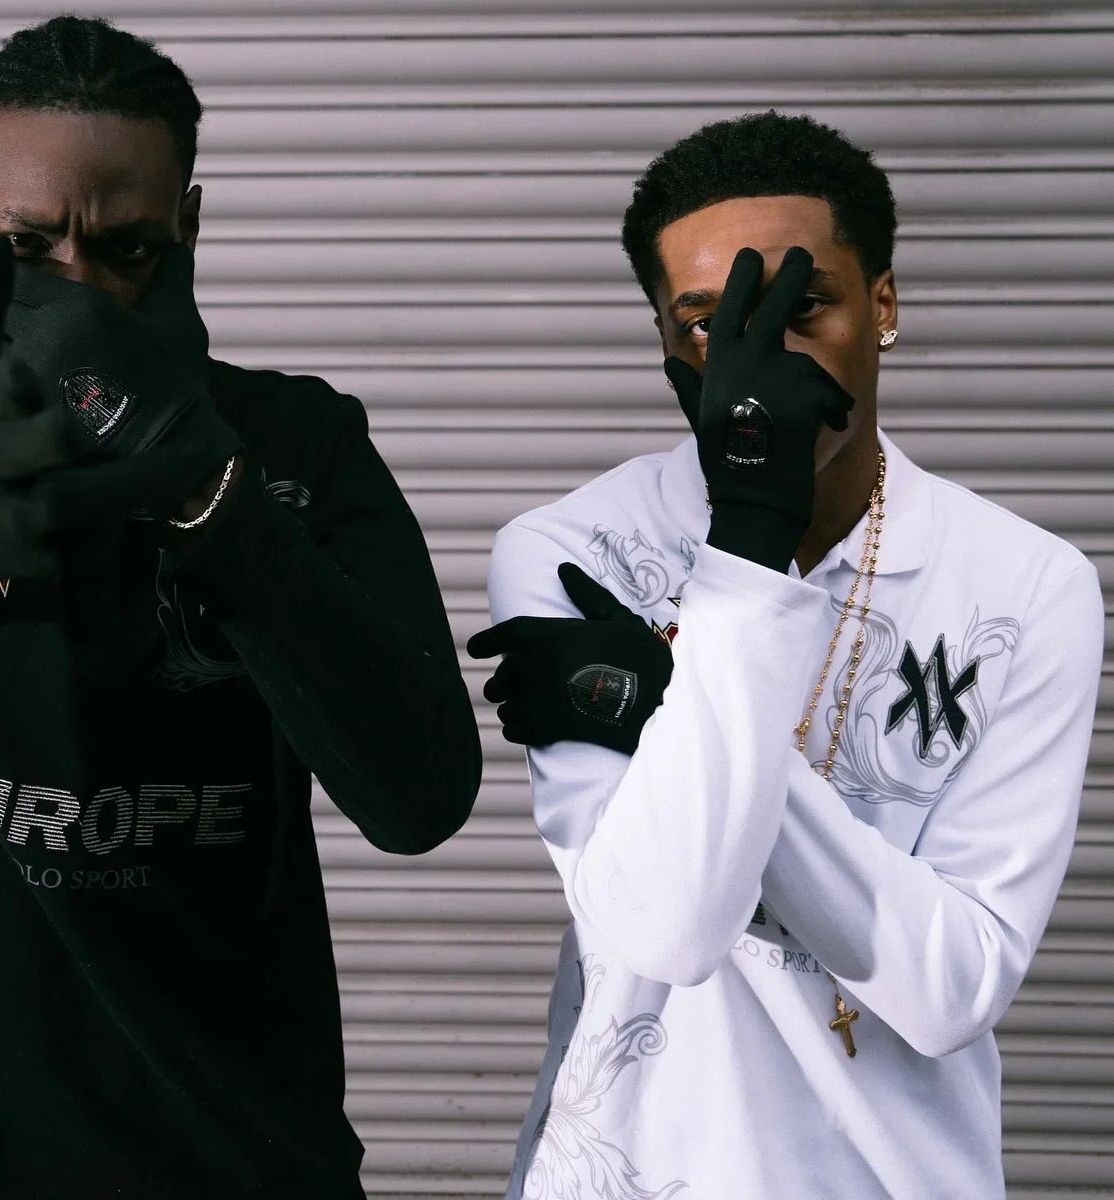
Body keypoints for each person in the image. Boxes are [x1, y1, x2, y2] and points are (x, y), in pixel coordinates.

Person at [0, 14, 482, 1199]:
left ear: (190, 228)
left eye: (128, 249)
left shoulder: (296, 443)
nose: (81, 286)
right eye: (30, 244)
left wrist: (212, 491)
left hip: (237, 1163)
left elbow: (419, 793)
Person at [468, 111, 1103, 1199]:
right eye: (711, 320)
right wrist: (751, 537)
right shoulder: (575, 553)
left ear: (883, 307)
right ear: (667, 342)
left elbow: (953, 986)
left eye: (802, 306)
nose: (757, 358)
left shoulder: (1026, 583)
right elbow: (667, 927)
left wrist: (661, 702)